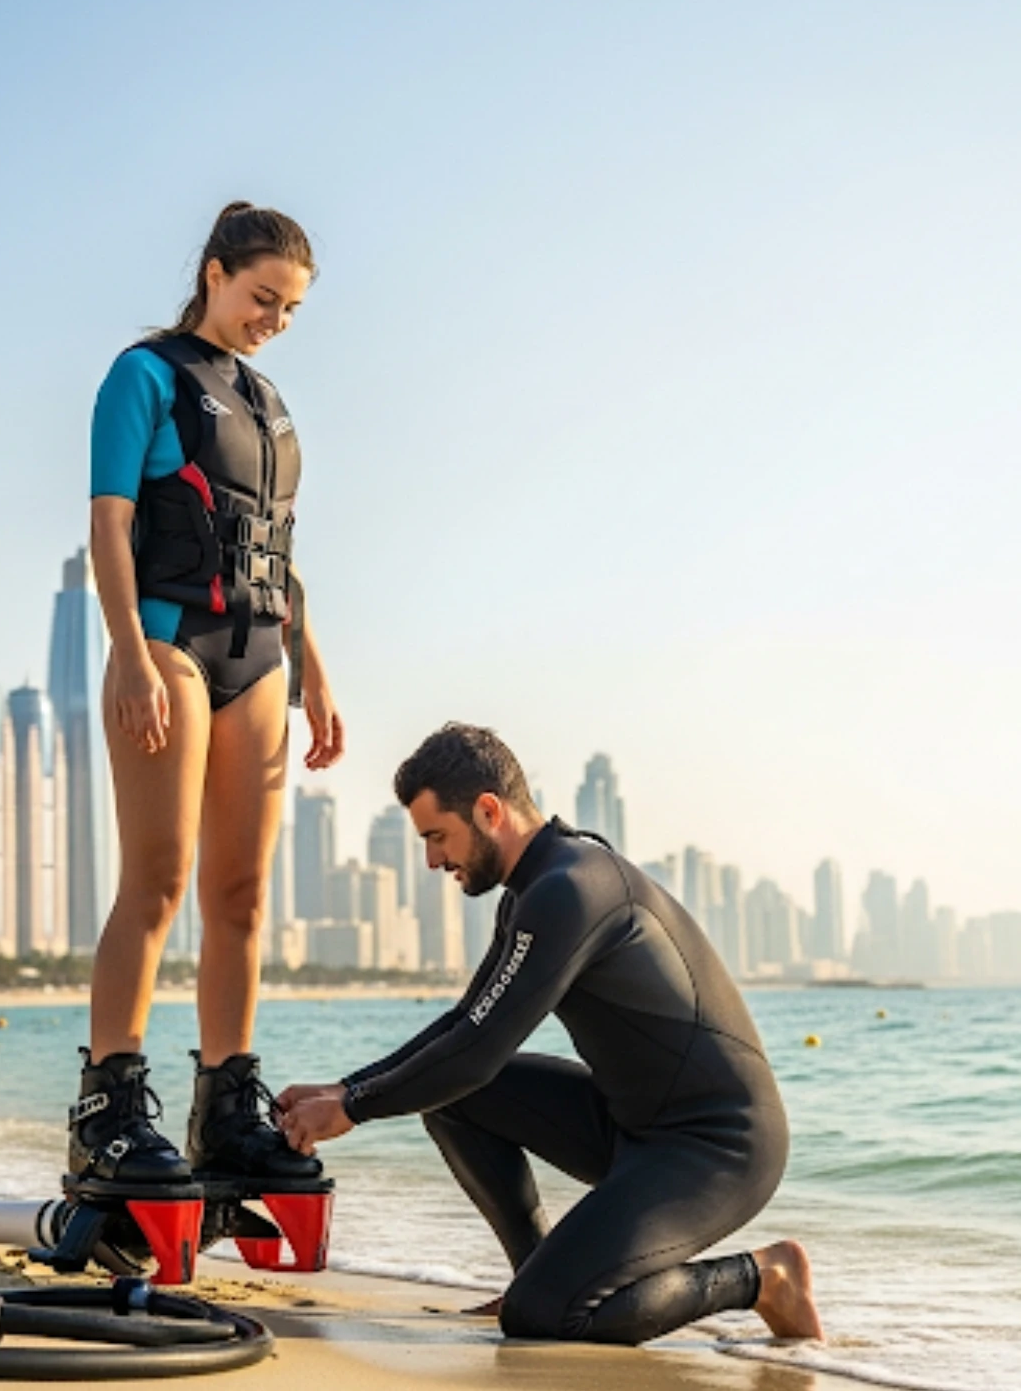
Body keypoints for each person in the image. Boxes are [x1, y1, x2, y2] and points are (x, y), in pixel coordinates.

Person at [277, 723, 823, 1345]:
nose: (432, 859)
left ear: (488, 810)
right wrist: (344, 1087)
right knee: (452, 1098)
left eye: (437, 836)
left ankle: (765, 1278)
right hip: (631, 1128)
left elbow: (478, 1052)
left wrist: (351, 1108)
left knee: (546, 1318)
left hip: (718, 1148)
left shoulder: (573, 889)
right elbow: (464, 1025)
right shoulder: (532, 892)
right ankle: (533, 1272)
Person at [71, 202, 344, 1197]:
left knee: (243, 896)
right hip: (170, 641)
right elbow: (108, 526)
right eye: (262, 296)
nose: (274, 317)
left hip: (263, 655)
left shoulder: (271, 406)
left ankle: (226, 1108)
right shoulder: (143, 376)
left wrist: (314, 666)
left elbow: (277, 546)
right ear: (217, 273)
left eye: (292, 308)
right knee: (159, 881)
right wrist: (131, 653)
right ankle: (107, 1106)